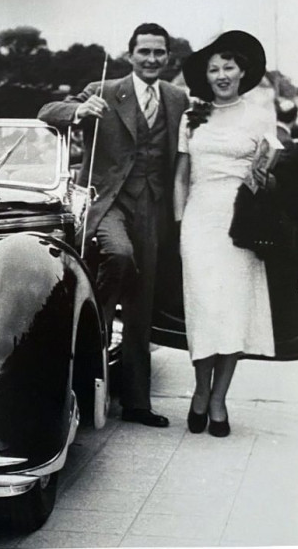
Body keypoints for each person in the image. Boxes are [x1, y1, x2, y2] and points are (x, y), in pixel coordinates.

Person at [39, 23, 190, 427]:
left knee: (143, 304)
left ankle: (138, 403)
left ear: (168, 57)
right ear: (130, 54)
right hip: (109, 203)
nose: (153, 59)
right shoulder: (103, 89)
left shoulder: (178, 98)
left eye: (160, 53)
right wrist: (79, 110)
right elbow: (46, 113)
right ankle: (99, 316)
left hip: (154, 208)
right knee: (119, 255)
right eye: (145, 52)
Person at [173, 30, 275, 437]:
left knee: (232, 311)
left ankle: (219, 399)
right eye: (213, 68)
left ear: (242, 71)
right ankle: (200, 391)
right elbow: (181, 176)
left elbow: (269, 174)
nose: (221, 74)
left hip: (241, 223)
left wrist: (263, 177)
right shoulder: (191, 115)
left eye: (228, 66)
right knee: (204, 310)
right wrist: (181, 222)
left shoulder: (260, 115)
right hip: (199, 219)